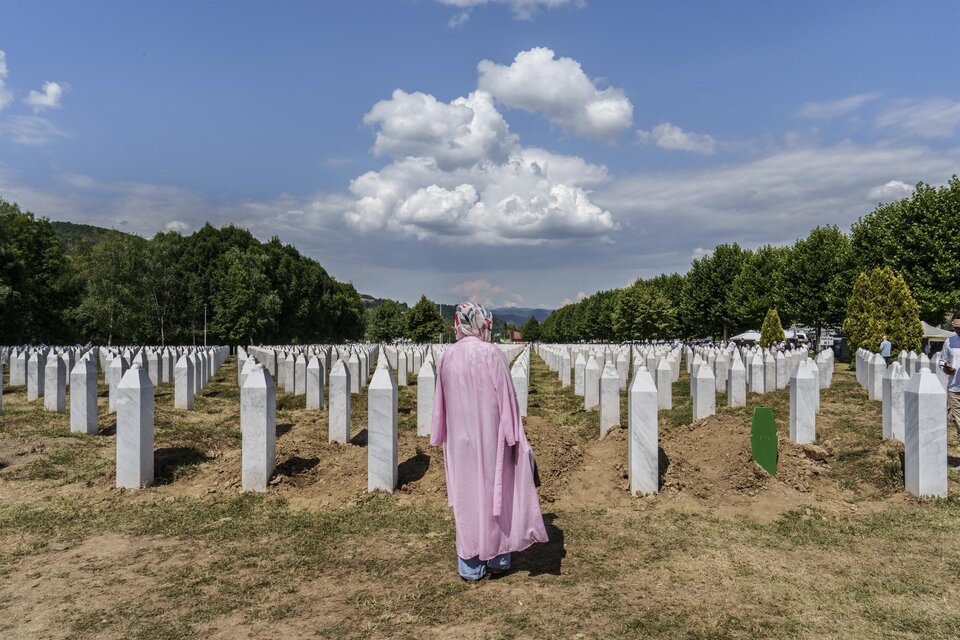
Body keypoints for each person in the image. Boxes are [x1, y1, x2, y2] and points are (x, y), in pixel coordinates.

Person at [430, 302, 548, 581]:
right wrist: (513, 435)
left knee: (467, 496)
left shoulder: (447, 356)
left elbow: (440, 401)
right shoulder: (491, 353)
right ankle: (497, 559)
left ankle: (470, 566)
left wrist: (440, 433)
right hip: (492, 435)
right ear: (484, 323)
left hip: (460, 439)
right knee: (496, 493)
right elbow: (506, 397)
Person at [939, 314, 960, 443]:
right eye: (955, 327)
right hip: (954, 389)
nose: (957, 330)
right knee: (959, 424)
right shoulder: (949, 342)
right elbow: (942, 360)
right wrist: (945, 367)